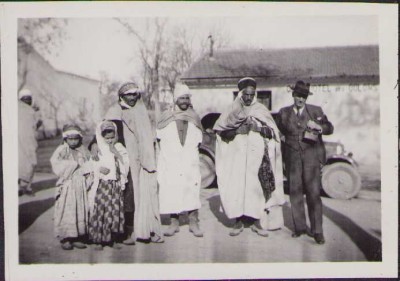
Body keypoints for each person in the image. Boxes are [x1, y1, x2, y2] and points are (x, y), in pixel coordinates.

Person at [213, 77, 285, 237]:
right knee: (237, 187)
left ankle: (255, 221)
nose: (249, 98)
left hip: (256, 158)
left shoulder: (261, 110)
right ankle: (238, 221)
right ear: (240, 94)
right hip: (236, 156)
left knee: (256, 188)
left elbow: (273, 133)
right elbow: (220, 131)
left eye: (252, 95)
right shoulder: (231, 110)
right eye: (246, 94)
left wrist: (258, 128)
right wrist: (237, 131)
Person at [94, 82, 163, 244]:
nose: (132, 98)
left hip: (142, 158)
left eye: (135, 94)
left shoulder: (140, 109)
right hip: (124, 158)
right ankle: (126, 230)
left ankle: (145, 229)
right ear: (121, 96)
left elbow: (146, 134)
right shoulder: (115, 111)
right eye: (128, 95)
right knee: (128, 193)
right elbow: (105, 132)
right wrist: (95, 145)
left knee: (144, 192)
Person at [276, 80, 334, 245]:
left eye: (304, 96)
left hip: (311, 158)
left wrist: (319, 126)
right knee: (295, 193)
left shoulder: (316, 111)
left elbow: (330, 128)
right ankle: (300, 227)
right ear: (293, 95)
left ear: (306, 97)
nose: (300, 99)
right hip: (292, 158)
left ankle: (317, 231)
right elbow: (277, 130)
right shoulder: (284, 113)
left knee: (314, 194)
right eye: (298, 95)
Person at [156, 84, 204, 238]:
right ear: (175, 99)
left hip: (189, 159)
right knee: (172, 189)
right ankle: (173, 223)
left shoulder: (194, 116)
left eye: (187, 98)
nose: (184, 101)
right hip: (171, 160)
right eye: (181, 98)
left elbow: (199, 140)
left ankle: (193, 222)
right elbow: (158, 138)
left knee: (192, 189)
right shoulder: (166, 116)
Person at [88, 120, 130, 250]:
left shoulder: (119, 147)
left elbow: (126, 163)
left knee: (115, 211)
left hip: (115, 186)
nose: (110, 140)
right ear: (101, 137)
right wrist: (99, 169)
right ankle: (99, 239)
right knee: (101, 211)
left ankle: (114, 238)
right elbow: (92, 164)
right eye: (107, 138)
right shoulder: (98, 149)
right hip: (103, 185)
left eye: (112, 138)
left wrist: (115, 152)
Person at [50, 124, 92, 250]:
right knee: (68, 210)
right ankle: (66, 238)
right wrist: (72, 164)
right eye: (70, 139)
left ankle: (77, 236)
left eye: (76, 139)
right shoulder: (62, 150)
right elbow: (56, 163)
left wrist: (88, 172)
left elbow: (89, 164)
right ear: (65, 139)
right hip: (68, 184)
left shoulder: (83, 150)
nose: (73, 141)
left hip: (80, 184)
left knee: (80, 209)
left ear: (80, 138)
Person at [18, 88, 41, 196]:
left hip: (30, 140)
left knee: (31, 161)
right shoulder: (18, 109)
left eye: (29, 99)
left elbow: (35, 126)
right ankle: (22, 186)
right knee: (22, 161)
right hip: (20, 140)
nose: (27, 100)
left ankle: (26, 186)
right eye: (24, 99)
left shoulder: (33, 111)